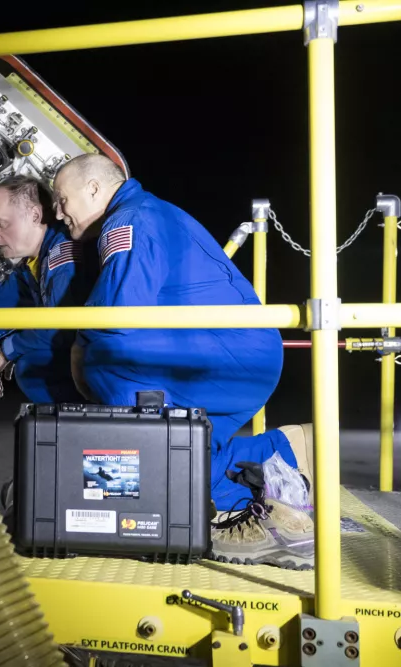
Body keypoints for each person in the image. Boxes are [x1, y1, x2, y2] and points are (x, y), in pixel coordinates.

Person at [53, 153, 314, 569]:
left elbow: (117, 313)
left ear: (95, 189)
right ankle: (278, 458)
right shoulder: (147, 211)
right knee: (192, 454)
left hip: (227, 357)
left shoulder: (127, 221)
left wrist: (78, 346)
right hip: (241, 356)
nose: (58, 212)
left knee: (104, 359)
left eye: (62, 199)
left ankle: (135, 496)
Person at [0, 174, 94, 403]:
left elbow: (62, 328)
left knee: (32, 366)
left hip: (114, 362)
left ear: (35, 215)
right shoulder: (30, 268)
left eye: (1, 223)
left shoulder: (63, 256)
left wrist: (9, 348)